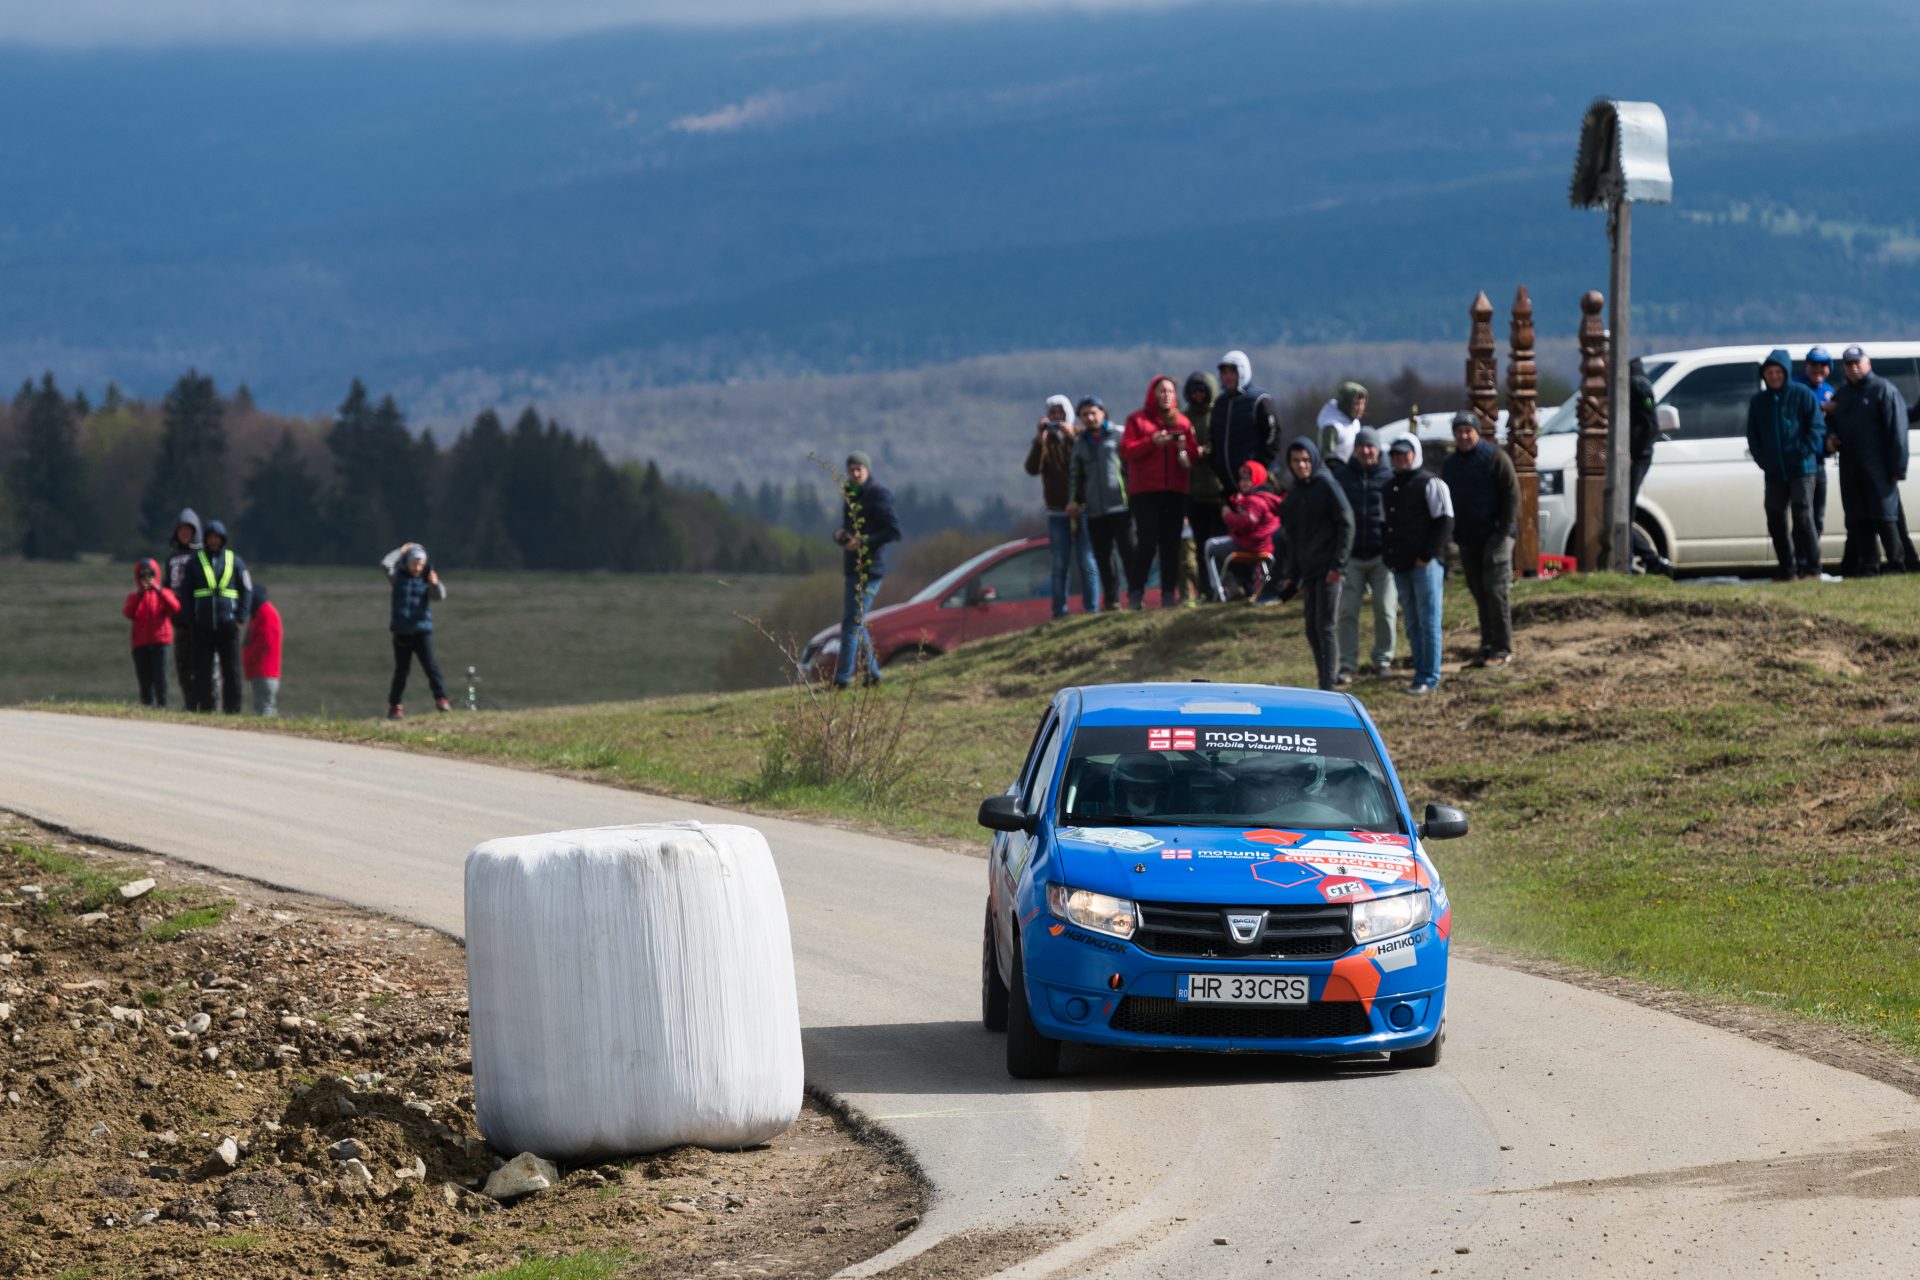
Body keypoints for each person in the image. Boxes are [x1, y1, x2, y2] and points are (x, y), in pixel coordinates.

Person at [1441, 410, 1520, 668]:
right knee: (1478, 591)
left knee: (1496, 591)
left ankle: (1502, 647)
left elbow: (1512, 493)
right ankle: (1486, 645)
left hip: (1497, 536)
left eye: (1468, 430)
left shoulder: (1495, 457)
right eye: (1459, 431)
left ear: (1477, 432)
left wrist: (1503, 530)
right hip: (1468, 537)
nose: (1464, 436)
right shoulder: (1451, 464)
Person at [1277, 438, 1354, 692]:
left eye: (1306, 460)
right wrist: (1292, 575)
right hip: (1309, 571)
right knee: (1311, 628)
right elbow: (1293, 538)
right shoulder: (1294, 494)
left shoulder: (1328, 485)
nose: (1302, 465)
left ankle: (1328, 685)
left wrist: (1338, 565)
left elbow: (1347, 523)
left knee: (1326, 626)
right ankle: (1323, 678)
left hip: (1329, 569)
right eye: (1297, 461)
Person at [1826, 347, 1911, 577]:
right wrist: (1832, 437)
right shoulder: (1841, 395)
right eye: (1848, 363)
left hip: (1880, 467)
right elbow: (1832, 425)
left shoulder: (1883, 390)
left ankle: (1896, 564)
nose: (1853, 367)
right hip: (1851, 467)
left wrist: (1897, 468)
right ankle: (1869, 565)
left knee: (1886, 517)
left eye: (1857, 362)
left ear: (1868, 364)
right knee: (1858, 518)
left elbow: (1897, 432)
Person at [1382, 437, 1454, 696]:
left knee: (1429, 619)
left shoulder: (1430, 482)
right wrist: (1389, 557)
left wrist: (1426, 555)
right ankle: (1419, 671)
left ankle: (1429, 676)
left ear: (1416, 454)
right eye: (1396, 454)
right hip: (1400, 565)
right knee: (1412, 621)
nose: (1401, 458)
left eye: (1405, 454)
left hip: (1426, 564)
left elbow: (1445, 521)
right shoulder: (1391, 487)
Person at [1121, 375, 1197, 610]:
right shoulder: (1137, 421)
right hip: (1145, 493)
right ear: (1152, 394)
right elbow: (1126, 451)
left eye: (1170, 391)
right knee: (1146, 544)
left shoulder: (1183, 423)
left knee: (1171, 545)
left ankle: (1167, 594)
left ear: (1175, 396)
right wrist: (1151, 442)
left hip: (1175, 492)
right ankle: (1136, 594)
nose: (1166, 395)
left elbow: (1193, 457)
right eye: (1161, 391)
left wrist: (1184, 450)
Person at [1745, 348, 1822, 581]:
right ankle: (1787, 568)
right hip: (1775, 471)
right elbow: (1753, 435)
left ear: (1786, 372)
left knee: (1803, 516)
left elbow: (1817, 428)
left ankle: (1811, 567)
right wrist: (1763, 460)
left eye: (1778, 371)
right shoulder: (1759, 402)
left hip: (1802, 469)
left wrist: (1803, 451)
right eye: (1770, 372)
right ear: (1764, 375)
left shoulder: (1802, 394)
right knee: (1775, 517)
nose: (1774, 376)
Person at [1332, 426, 1396, 686]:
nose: (1366, 451)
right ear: (1356, 449)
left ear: (1378, 449)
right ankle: (1347, 664)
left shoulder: (1390, 476)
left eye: (1371, 446)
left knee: (1385, 609)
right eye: (1362, 446)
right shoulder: (1342, 477)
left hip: (1383, 556)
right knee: (1347, 612)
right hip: (1352, 557)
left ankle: (1383, 660)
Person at [832, 451, 903, 688]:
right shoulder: (850, 494)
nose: (855, 472)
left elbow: (893, 531)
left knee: (851, 623)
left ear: (868, 469)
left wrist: (863, 542)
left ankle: (842, 679)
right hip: (852, 566)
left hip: (870, 568)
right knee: (856, 622)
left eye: (859, 468)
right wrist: (840, 536)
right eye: (851, 468)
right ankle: (872, 675)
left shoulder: (879, 494)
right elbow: (846, 526)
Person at [1026, 394, 1100, 617]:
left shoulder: (1081, 437)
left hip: (1083, 509)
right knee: (1059, 565)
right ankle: (1059, 612)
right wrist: (1040, 441)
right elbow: (1032, 468)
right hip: (1057, 512)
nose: (1057, 418)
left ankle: (1092, 609)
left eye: (1061, 413)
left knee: (1087, 561)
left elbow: (1089, 461)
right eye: (1053, 414)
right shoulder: (1046, 442)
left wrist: (1072, 435)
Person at [1067, 397, 1137, 610]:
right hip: (1095, 509)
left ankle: (1136, 594)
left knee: (1128, 553)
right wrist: (1074, 501)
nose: (1089, 417)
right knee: (1103, 558)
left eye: (1093, 413)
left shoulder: (1119, 435)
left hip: (1121, 505)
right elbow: (1075, 475)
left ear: (1103, 413)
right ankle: (1112, 599)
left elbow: (1130, 467)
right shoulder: (1079, 443)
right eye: (1085, 414)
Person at [185, 519, 252, 713]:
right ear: (205, 539)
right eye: (210, 538)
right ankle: (205, 708)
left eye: (217, 538)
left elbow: (246, 589)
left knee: (231, 670)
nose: (214, 541)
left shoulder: (234, 561)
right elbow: (186, 593)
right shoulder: (195, 562)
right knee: (202, 670)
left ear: (223, 540)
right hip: (202, 625)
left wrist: (240, 617)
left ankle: (233, 709)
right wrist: (191, 620)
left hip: (227, 624)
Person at [386, 543, 449, 717]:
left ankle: (441, 699)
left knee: (431, 667)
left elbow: (439, 597)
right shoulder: (397, 577)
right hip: (402, 632)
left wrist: (435, 585)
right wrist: (401, 550)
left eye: (421, 564)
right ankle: (395, 705)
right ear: (407, 562)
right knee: (402, 671)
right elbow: (386, 565)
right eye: (414, 563)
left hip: (422, 631)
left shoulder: (427, 580)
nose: (417, 567)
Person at [1179, 371, 1226, 604]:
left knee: (1219, 543)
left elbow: (1221, 443)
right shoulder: (1183, 418)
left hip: (1217, 490)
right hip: (1194, 492)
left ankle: (1224, 587)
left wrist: (1204, 452)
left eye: (1202, 390)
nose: (1198, 395)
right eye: (1194, 391)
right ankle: (1207, 590)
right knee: (1199, 547)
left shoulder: (1219, 414)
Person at [1208, 460, 1284, 602]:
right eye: (1241, 479)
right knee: (1229, 546)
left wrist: (1228, 515)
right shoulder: (1266, 497)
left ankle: (1220, 592)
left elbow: (1246, 524)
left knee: (1210, 546)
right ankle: (1239, 588)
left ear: (1257, 480)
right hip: (1261, 547)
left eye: (1248, 479)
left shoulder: (1255, 500)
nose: (1243, 483)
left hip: (1254, 547)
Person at [1626, 357, 1673, 575]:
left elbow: (1649, 418)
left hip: (1637, 456)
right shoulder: (1631, 382)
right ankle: (1650, 560)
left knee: (1623, 513)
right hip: (1632, 455)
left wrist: (1637, 451)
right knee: (1622, 514)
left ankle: (1649, 560)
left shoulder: (1637, 385)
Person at [1209, 351, 1280, 494]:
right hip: (1227, 485)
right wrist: (1217, 465)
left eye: (1232, 372)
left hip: (1257, 484)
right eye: (1224, 373)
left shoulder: (1260, 400)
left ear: (1242, 372)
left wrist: (1258, 468)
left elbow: (1273, 436)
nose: (1227, 377)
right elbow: (1214, 438)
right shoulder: (1220, 403)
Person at [123, 557, 180, 708]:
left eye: (150, 575)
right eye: (143, 576)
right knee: (144, 679)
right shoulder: (134, 596)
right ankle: (147, 705)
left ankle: (162, 705)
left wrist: (158, 590)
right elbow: (128, 613)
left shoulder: (164, 593)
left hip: (159, 642)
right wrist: (141, 594)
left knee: (161, 677)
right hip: (140, 644)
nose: (147, 579)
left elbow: (174, 607)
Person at [1797, 347, 1837, 559]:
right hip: (1803, 463)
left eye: (1822, 365)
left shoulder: (1830, 391)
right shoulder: (1796, 388)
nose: (1817, 369)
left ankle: (1812, 559)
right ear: (1806, 366)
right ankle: (1802, 561)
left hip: (1821, 462)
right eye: (1813, 364)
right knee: (1803, 515)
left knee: (1818, 516)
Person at [162, 508, 203, 710]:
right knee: (182, 665)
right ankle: (189, 704)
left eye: (189, 530)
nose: (185, 534)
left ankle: (204, 704)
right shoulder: (171, 558)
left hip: (198, 620)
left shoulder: (201, 555)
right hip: (179, 621)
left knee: (201, 665)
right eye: (181, 530)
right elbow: (167, 585)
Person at [243, 581, 283, 717]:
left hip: (265, 671)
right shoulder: (259, 613)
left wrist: (251, 658)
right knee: (262, 707)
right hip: (260, 671)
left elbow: (264, 641)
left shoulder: (266, 613)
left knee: (266, 709)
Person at [1316, 382, 1369, 464]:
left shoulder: (1354, 422)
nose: (1361, 408)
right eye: (1356, 404)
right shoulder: (1332, 428)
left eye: (1363, 404)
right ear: (1346, 404)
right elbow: (1326, 461)